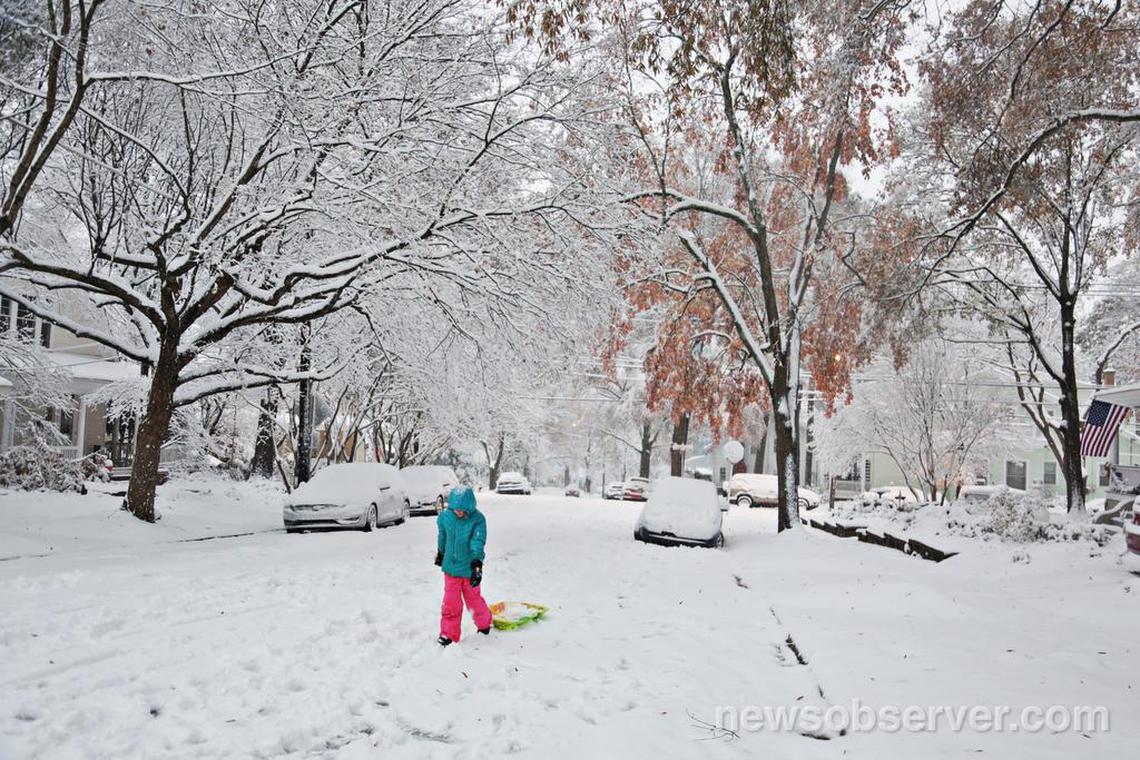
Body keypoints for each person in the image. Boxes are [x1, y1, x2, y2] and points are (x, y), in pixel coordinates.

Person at [435, 485, 492, 646]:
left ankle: (484, 624)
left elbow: (477, 542)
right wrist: (440, 553)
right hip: (451, 569)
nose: (459, 513)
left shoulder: (478, 519)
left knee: (473, 600)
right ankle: (448, 634)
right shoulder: (445, 517)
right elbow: (442, 536)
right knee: (450, 602)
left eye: (463, 510)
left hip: (469, 569)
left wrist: (476, 564)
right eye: (456, 509)